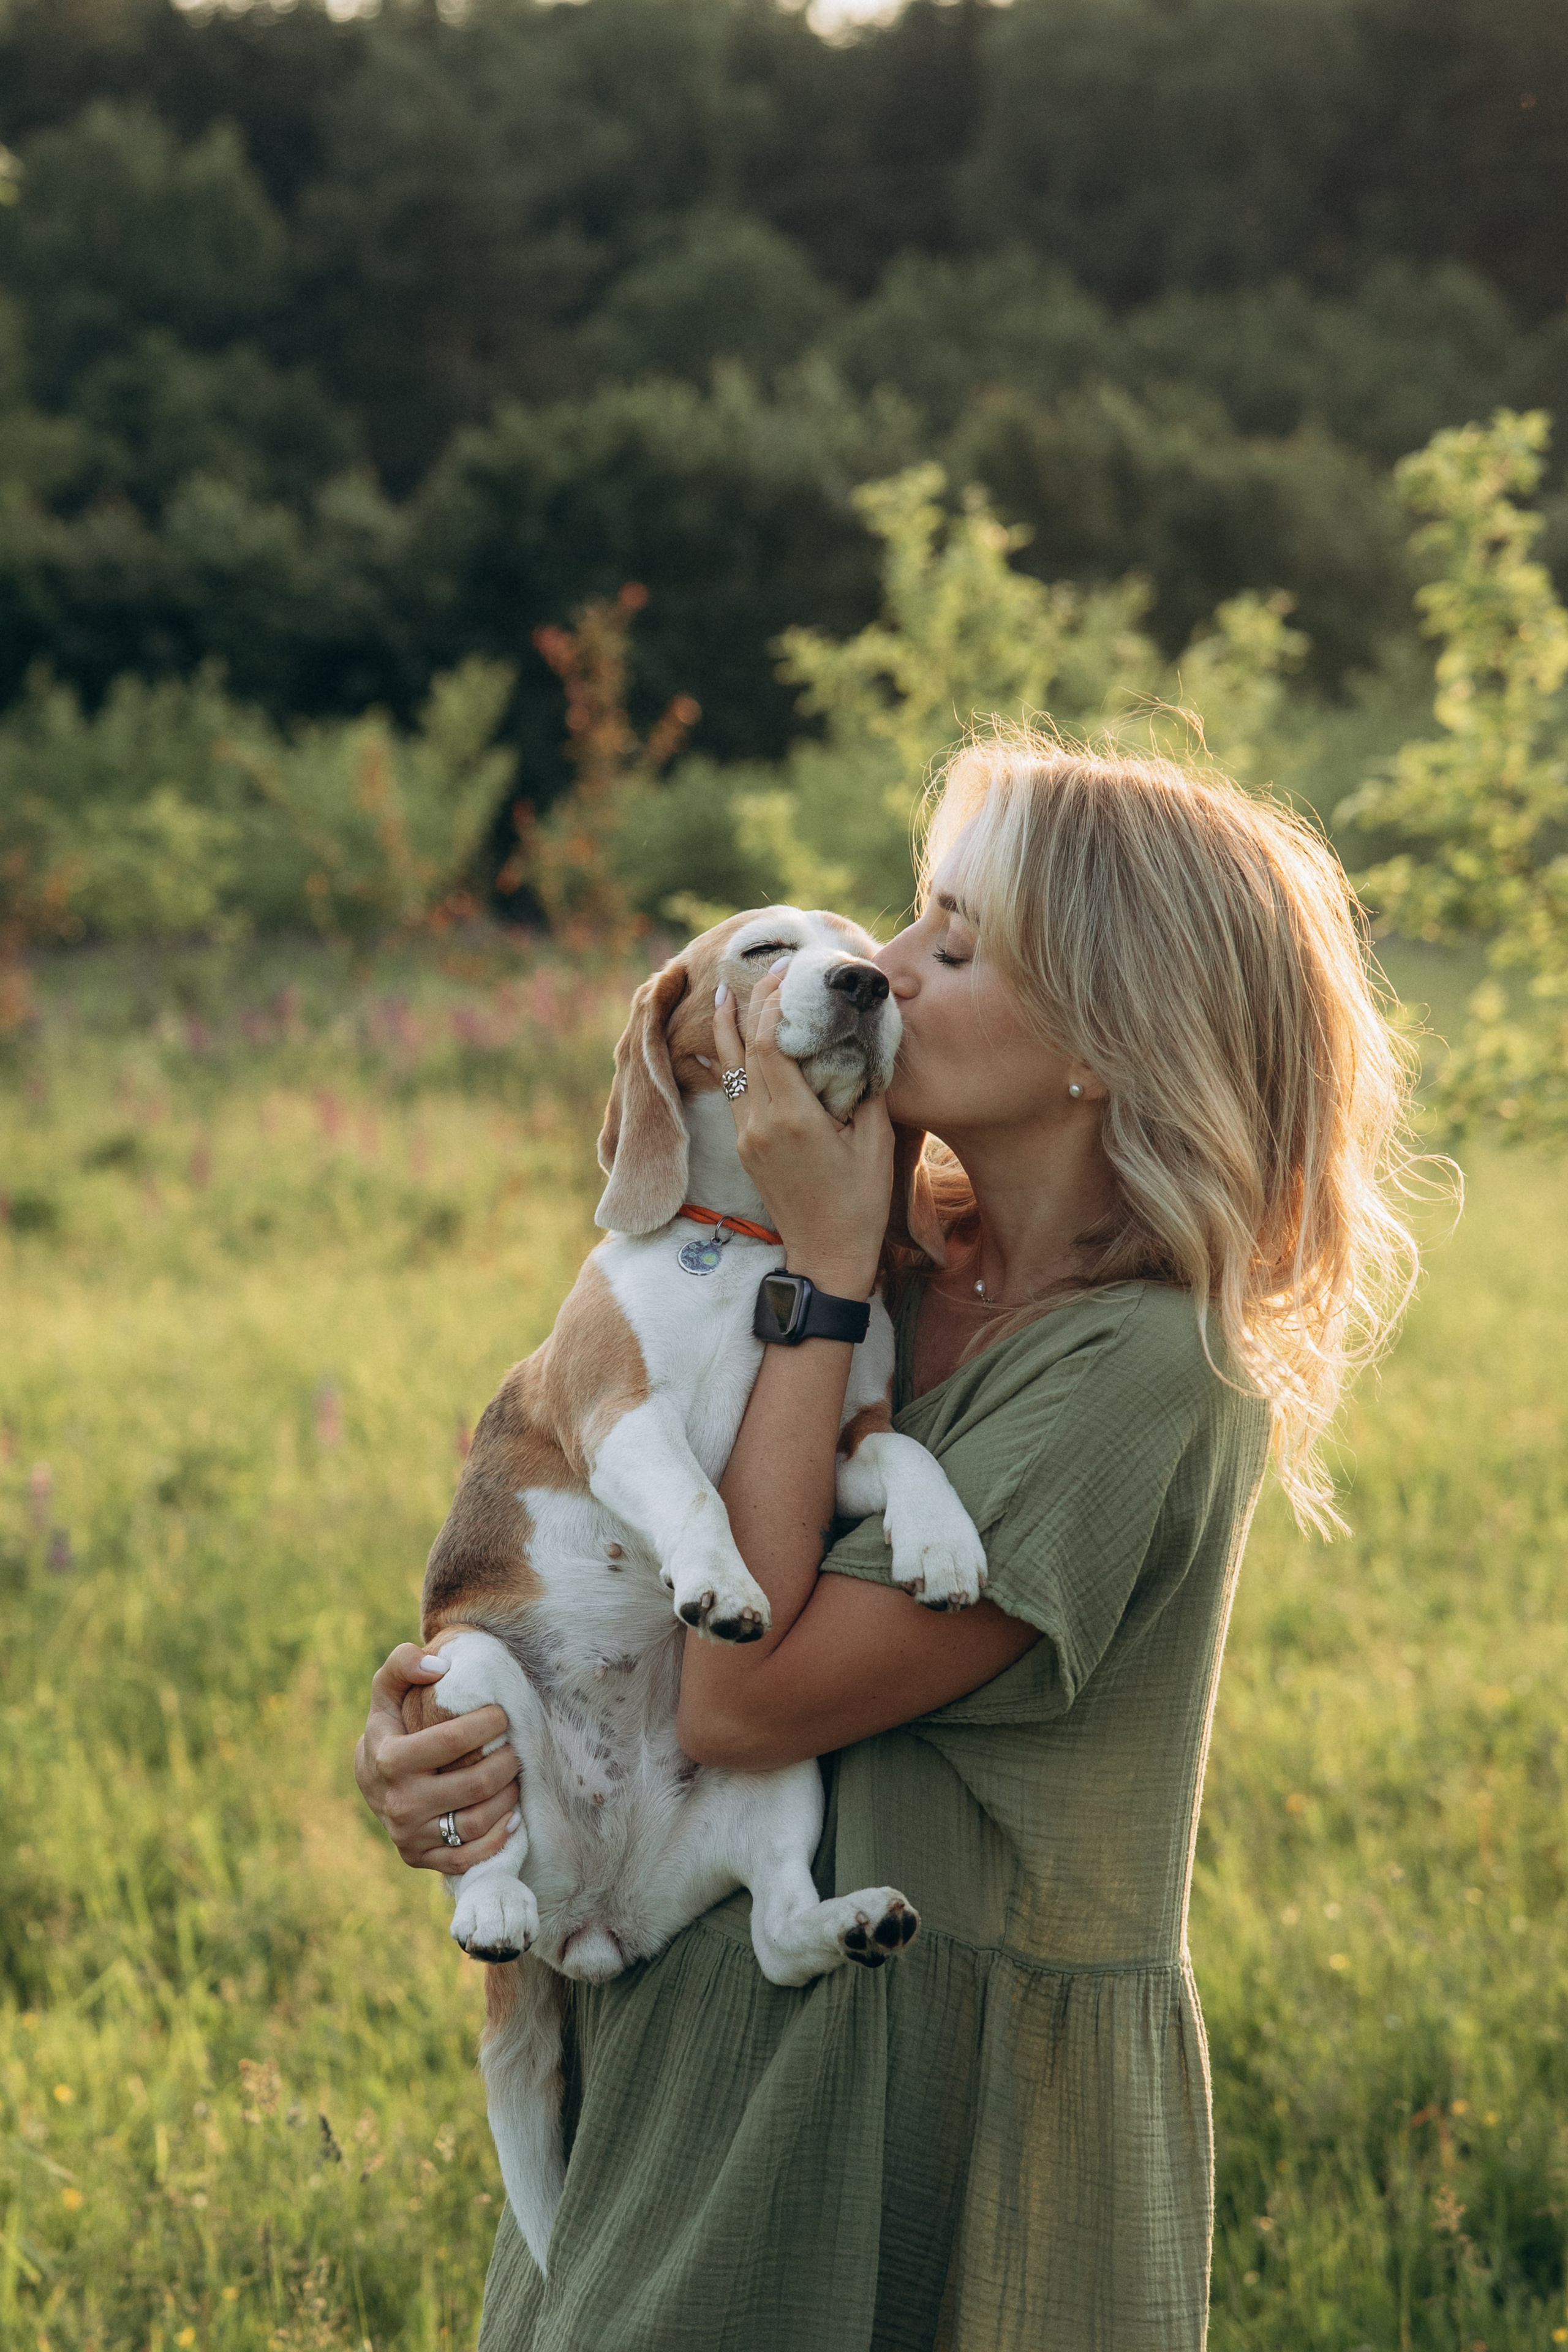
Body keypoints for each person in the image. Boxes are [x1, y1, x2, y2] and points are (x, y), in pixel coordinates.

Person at [355, 736, 1419, 2351]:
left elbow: (740, 1701)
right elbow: (613, 1597)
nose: (881, 963)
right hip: (682, 2051)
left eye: (954, 946)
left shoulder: (1146, 1374)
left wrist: (831, 1266)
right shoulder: (887, 1269)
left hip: (942, 2105)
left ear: (1104, 1045)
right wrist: (444, 1749)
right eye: (912, 920)